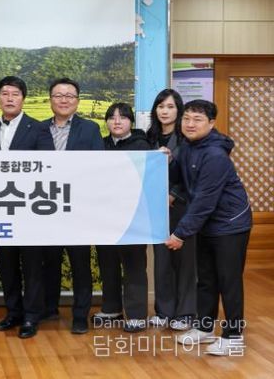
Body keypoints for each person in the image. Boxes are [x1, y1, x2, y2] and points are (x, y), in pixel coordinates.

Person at [166, 100, 252, 356]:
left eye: (197, 119)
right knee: (205, 278)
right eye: (187, 118)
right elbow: (177, 178)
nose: (190, 124)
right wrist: (167, 159)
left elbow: (204, 200)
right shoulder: (187, 146)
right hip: (207, 224)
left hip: (230, 224)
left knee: (228, 280)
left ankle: (234, 335)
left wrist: (180, 233)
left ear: (211, 123)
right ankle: (204, 328)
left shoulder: (215, 155)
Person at [0, 76, 51, 339]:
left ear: (23, 98)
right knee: (7, 263)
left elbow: (48, 167)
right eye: (5, 93)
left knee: (32, 265)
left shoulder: (38, 129)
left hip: (30, 209)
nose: (9, 98)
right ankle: (13, 312)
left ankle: (31, 316)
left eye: (15, 94)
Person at [41, 77, 104, 334]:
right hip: (45, 207)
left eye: (69, 96)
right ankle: (49, 308)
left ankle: (80, 315)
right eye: (59, 95)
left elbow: (99, 166)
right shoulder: (38, 129)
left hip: (78, 209)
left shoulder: (90, 129)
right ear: (50, 100)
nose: (64, 100)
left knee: (80, 265)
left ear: (77, 101)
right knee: (49, 262)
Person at [94, 103, 150, 333]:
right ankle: (111, 308)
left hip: (133, 215)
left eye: (123, 117)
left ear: (131, 122)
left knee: (134, 264)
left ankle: (136, 315)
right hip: (104, 215)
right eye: (112, 117)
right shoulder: (99, 145)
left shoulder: (142, 145)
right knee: (107, 262)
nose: (117, 122)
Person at [146, 89, 196, 331]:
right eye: (160, 106)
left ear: (179, 110)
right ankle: (164, 311)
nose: (164, 111)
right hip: (156, 207)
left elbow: (191, 174)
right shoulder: (150, 137)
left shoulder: (187, 138)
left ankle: (186, 313)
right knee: (162, 260)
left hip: (182, 206)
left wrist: (173, 195)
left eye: (170, 106)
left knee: (185, 261)